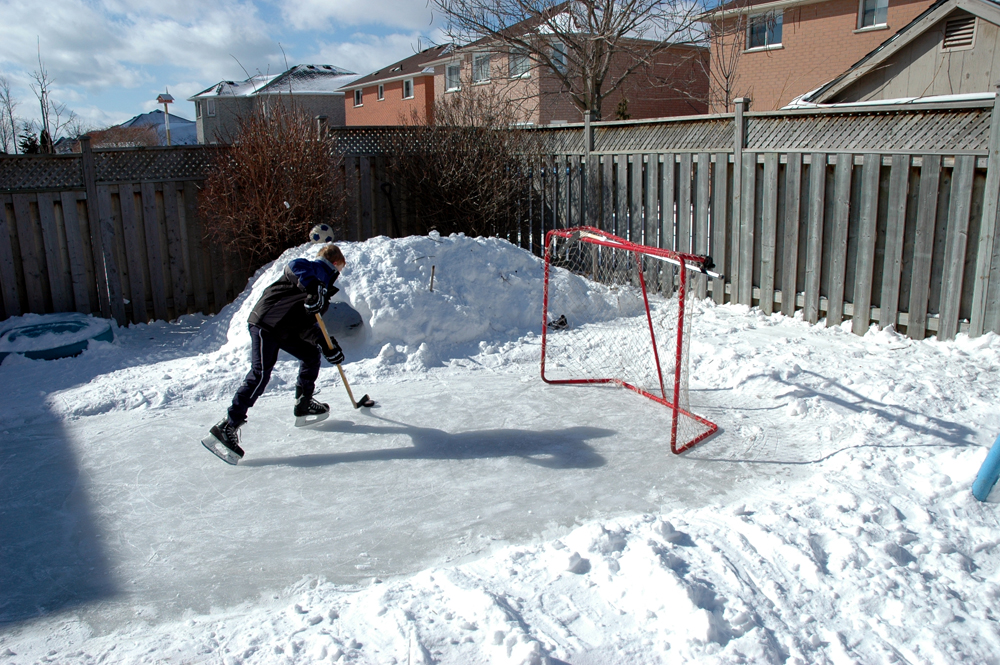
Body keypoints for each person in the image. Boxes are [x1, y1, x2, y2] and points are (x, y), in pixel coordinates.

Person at [203, 243, 347, 464]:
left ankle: (303, 403)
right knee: (260, 374)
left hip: (283, 329)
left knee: (310, 355)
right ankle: (227, 426)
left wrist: (326, 344)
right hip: (266, 324)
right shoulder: (314, 270)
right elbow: (294, 266)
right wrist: (313, 287)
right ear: (337, 264)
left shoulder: (322, 288)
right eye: (341, 269)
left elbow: (307, 324)